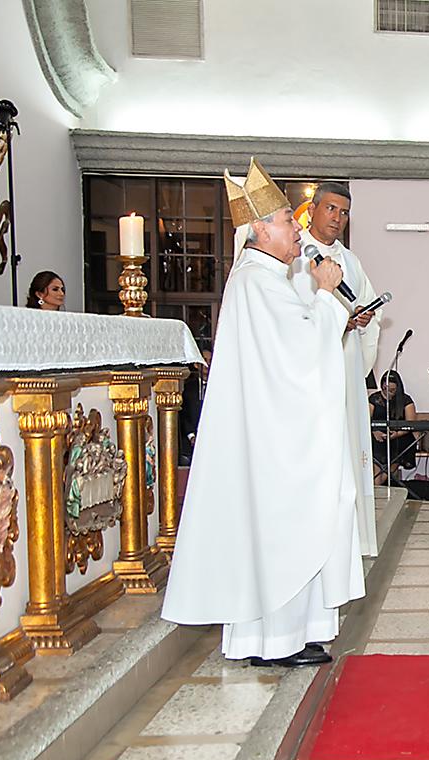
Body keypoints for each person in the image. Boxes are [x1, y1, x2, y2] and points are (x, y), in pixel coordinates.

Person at [162, 158, 362, 668]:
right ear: (257, 228)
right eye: (285, 222)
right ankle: (274, 641)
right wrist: (325, 297)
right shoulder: (254, 280)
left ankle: (302, 631)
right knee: (281, 530)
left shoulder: (271, 277)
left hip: (284, 432)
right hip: (275, 442)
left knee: (308, 520)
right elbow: (298, 355)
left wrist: (319, 297)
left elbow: (300, 340)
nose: (297, 227)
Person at [291, 181, 382, 559]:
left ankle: (351, 536)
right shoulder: (295, 256)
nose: (338, 219)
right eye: (330, 209)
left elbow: (362, 304)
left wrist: (363, 318)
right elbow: (294, 314)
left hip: (343, 360)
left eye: (344, 213)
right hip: (309, 368)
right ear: (312, 209)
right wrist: (336, 321)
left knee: (348, 443)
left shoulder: (350, 260)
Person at [369, 369, 417, 486]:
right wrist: (374, 431)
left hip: (399, 437)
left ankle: (380, 481)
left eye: (392, 390)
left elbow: (410, 425)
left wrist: (396, 434)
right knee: (375, 446)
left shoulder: (406, 400)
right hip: (378, 437)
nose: (388, 393)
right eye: (385, 389)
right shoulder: (374, 399)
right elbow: (366, 420)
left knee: (399, 448)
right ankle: (378, 482)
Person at [178, 346, 212, 466]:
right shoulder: (188, 388)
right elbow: (184, 414)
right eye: (204, 360)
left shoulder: (218, 388)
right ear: (197, 364)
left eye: (210, 361)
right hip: (190, 443)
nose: (207, 364)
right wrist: (192, 436)